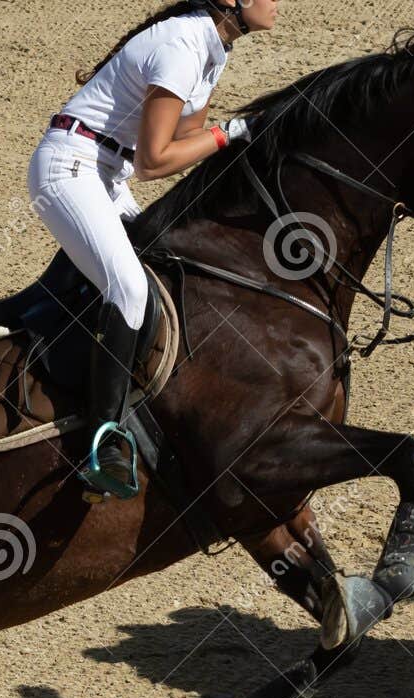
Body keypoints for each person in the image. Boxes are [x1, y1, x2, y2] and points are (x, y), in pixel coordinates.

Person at [28, 0, 281, 497]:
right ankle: (102, 444)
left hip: (105, 173)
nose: (278, 4)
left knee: (162, 265)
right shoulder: (182, 46)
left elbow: (189, 138)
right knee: (129, 291)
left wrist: (232, 143)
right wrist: (230, 133)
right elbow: (155, 160)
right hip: (70, 169)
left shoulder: (214, 48)